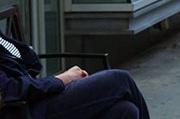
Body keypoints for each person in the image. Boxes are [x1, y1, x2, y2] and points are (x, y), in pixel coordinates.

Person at [0, 32, 150, 119]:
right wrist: (63, 79)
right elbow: (10, 90)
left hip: (36, 96)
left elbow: (28, 61)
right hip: (24, 110)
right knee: (119, 80)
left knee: (125, 111)